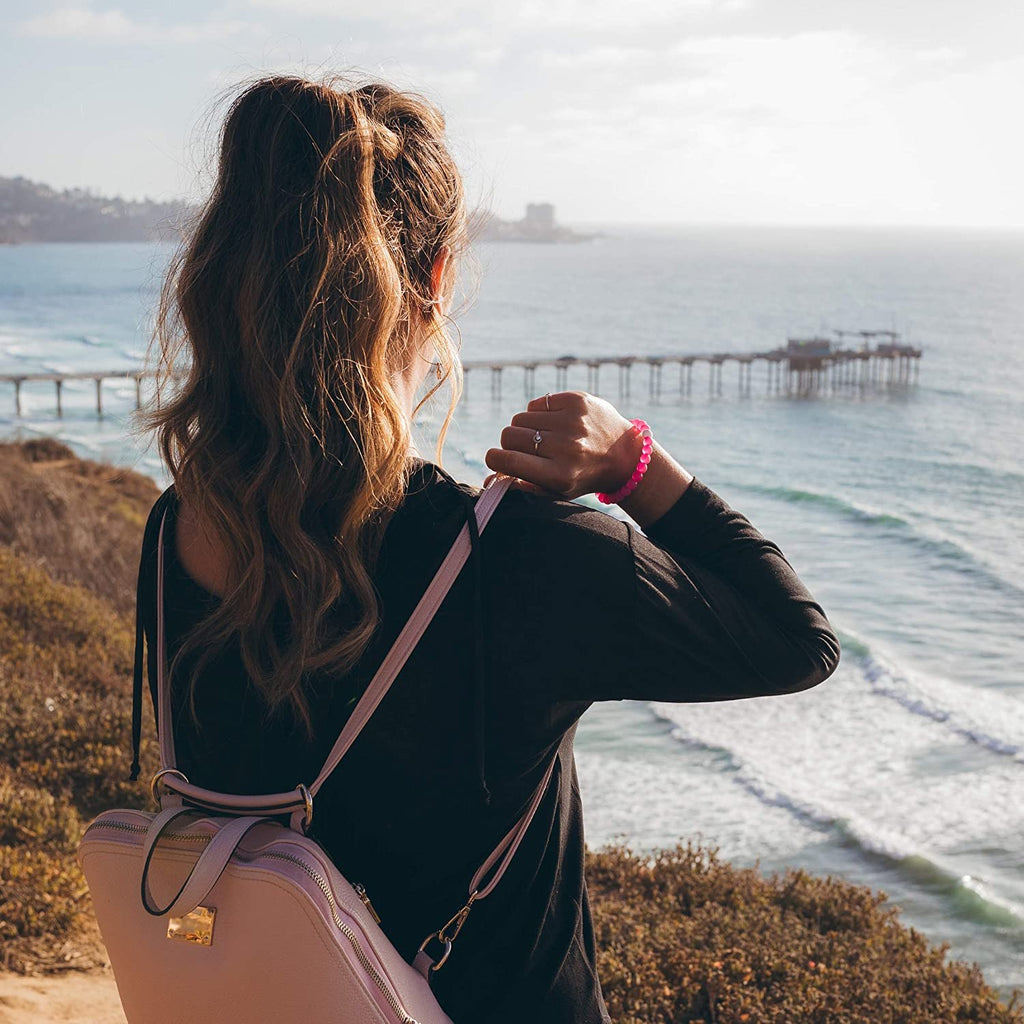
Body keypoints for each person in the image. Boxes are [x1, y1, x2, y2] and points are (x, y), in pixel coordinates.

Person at [134, 74, 840, 1023]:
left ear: (223, 278)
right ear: (432, 284)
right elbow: (795, 639)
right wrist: (638, 466)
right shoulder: (524, 560)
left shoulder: (176, 530)